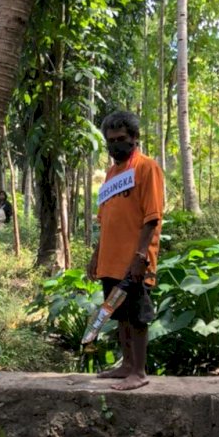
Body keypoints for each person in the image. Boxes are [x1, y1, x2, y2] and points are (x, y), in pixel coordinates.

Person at [87, 110, 164, 390]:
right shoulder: (110, 174)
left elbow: (152, 217)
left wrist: (141, 256)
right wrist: (96, 257)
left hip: (135, 260)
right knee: (118, 314)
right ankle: (126, 365)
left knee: (136, 315)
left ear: (134, 138)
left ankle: (139, 372)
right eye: (110, 141)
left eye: (121, 139)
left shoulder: (146, 168)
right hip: (110, 259)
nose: (115, 146)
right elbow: (104, 220)